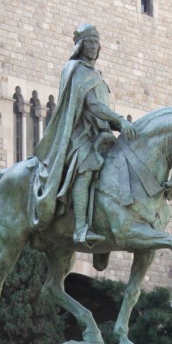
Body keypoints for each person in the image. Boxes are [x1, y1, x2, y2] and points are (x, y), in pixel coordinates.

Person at [33, 24, 137, 246]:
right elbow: (93, 105)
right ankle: (80, 228)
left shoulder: (96, 75)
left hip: (100, 135)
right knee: (86, 166)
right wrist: (120, 120)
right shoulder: (77, 70)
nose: (93, 47)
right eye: (89, 42)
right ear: (80, 46)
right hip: (80, 137)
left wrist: (117, 125)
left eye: (95, 43)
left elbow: (102, 110)